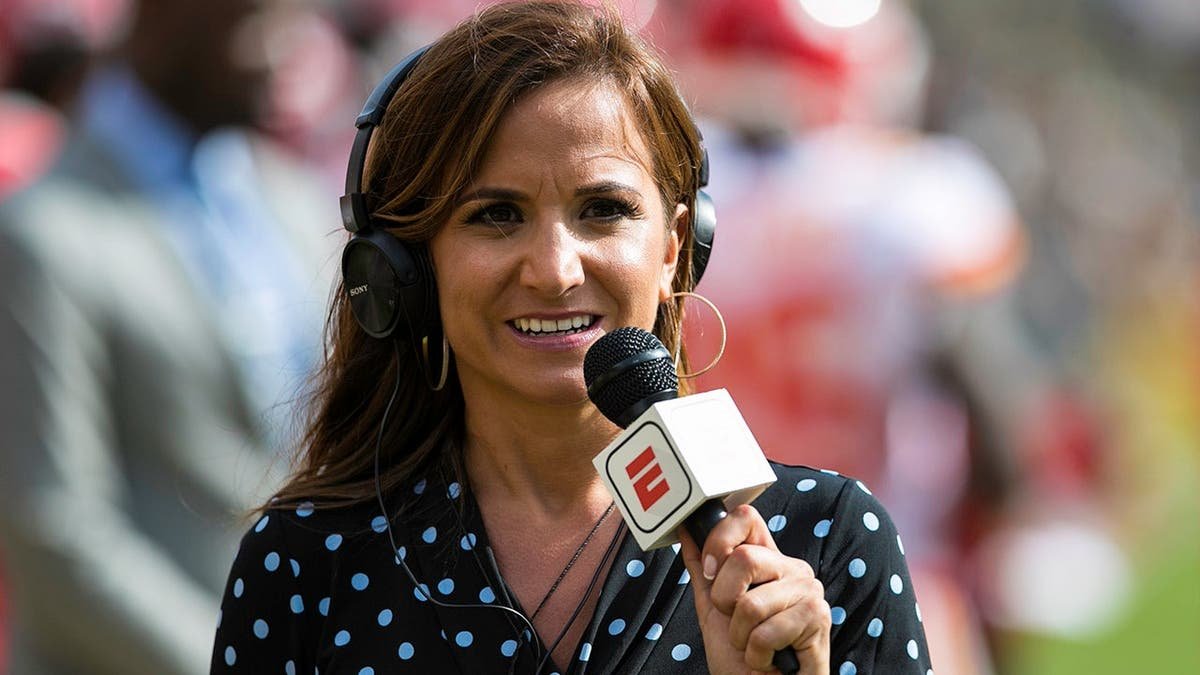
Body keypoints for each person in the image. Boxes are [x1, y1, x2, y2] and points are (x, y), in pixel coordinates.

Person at [210, 2, 932, 673]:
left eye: (603, 210)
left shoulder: (829, 544)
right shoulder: (306, 564)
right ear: (406, 268)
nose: (555, 271)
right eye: (495, 215)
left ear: (677, 247)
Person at [0, 0, 334, 673]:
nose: (287, 51)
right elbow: (54, 531)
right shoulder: (43, 237)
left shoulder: (294, 200)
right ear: (171, 18)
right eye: (257, 23)